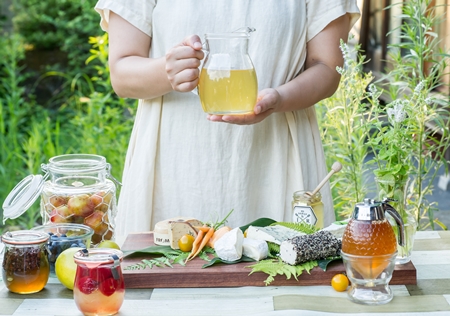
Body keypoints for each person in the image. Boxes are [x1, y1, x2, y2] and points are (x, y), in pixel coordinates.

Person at [94, 1, 360, 236]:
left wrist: (280, 98)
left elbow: (327, 66)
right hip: (174, 168)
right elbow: (121, 74)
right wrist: (167, 71)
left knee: (285, 282)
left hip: (276, 163)